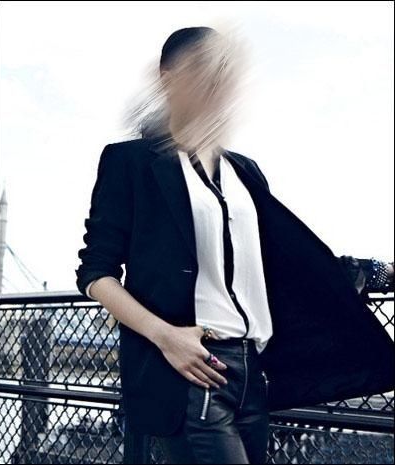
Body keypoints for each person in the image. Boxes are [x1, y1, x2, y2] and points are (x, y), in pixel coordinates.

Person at [75, 27, 394, 464]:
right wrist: (166, 337)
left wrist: (377, 270)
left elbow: (282, 262)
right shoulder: (129, 163)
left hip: (253, 372)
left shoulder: (245, 171)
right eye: (203, 69)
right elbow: (96, 272)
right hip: (192, 367)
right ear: (167, 79)